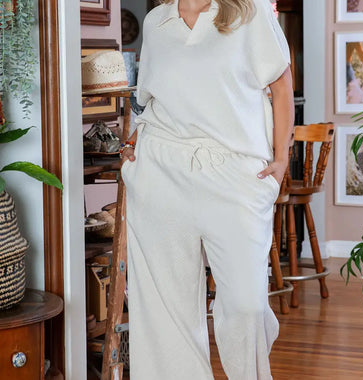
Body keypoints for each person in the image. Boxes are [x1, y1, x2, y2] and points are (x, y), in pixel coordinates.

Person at [120, 0, 294, 379]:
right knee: (167, 311)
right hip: (161, 172)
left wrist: (282, 159)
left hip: (232, 173)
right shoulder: (156, 23)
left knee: (247, 305)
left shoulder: (250, 12)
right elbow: (150, 97)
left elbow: (281, 86)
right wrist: (132, 146)